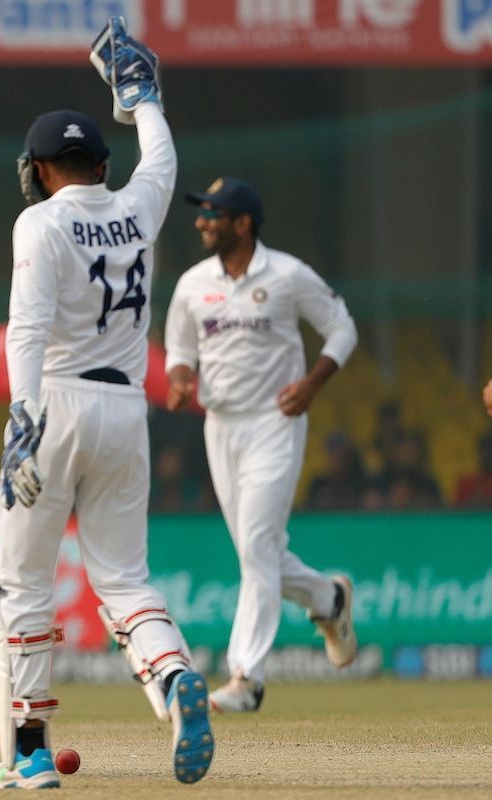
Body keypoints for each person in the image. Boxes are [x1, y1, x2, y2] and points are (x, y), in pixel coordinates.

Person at [0, 18, 213, 790]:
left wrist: (21, 415)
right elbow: (164, 157)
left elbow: (27, 329)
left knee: (24, 583)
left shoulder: (40, 222)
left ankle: (33, 750)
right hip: (126, 412)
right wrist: (142, 96)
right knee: (123, 577)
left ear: (45, 168)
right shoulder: (140, 205)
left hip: (54, 405)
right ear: (98, 165)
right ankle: (173, 673)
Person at [164, 176, 360, 714]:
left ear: (243, 223)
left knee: (255, 544)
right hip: (220, 427)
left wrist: (313, 383)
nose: (202, 221)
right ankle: (328, 599)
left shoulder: (287, 275)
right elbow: (179, 350)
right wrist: (180, 380)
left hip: (275, 421)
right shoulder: (192, 284)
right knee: (260, 551)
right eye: (201, 212)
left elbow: (341, 328)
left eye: (213, 213)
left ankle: (246, 678)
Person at [455, 430, 492, 508]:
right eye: (486, 451)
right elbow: (457, 510)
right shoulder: (467, 483)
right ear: (479, 453)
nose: (489, 456)